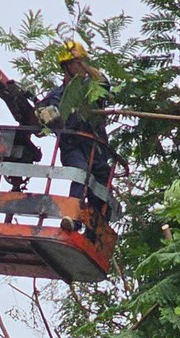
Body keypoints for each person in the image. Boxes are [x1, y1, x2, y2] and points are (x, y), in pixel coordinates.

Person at [34, 39, 114, 211]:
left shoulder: (93, 86)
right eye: (77, 63)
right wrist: (43, 115)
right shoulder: (57, 95)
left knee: (102, 187)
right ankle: (71, 216)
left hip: (96, 147)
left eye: (82, 63)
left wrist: (84, 64)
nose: (81, 66)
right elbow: (40, 115)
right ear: (67, 66)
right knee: (80, 173)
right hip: (73, 147)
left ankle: (95, 230)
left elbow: (104, 84)